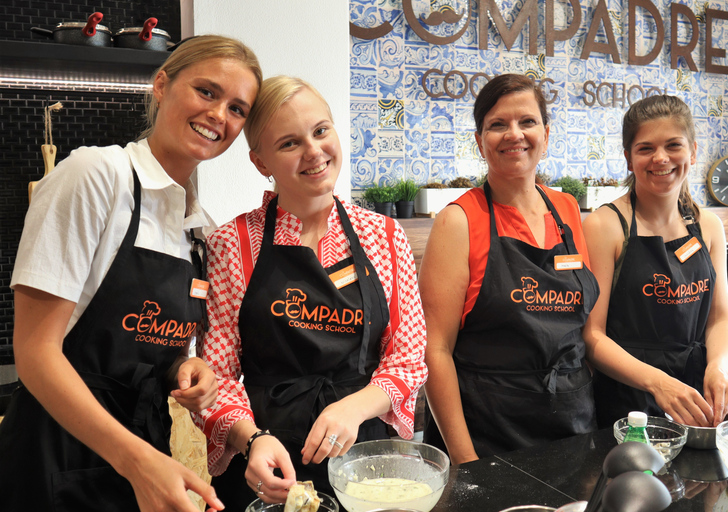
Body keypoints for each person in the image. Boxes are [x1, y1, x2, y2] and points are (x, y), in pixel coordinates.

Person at [0, 35, 262, 511]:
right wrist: (135, 460)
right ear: (162, 84)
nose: (219, 115)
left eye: (237, 108)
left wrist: (183, 368)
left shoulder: (197, 228)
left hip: (142, 457)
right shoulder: (96, 176)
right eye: (207, 91)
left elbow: (150, 353)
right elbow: (35, 352)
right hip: (57, 456)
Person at [192, 76, 428, 508]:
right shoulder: (232, 244)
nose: (314, 151)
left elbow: (408, 359)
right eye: (289, 143)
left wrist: (354, 408)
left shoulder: (386, 236)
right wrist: (252, 440)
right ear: (260, 161)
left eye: (321, 130)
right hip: (266, 458)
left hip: (364, 462)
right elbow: (217, 376)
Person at [420, 74, 598, 465]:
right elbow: (436, 350)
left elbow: (584, 331)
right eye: (497, 124)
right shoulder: (459, 222)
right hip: (488, 435)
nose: (513, 134)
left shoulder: (567, 209)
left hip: (572, 424)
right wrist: (469, 465)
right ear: (479, 141)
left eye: (527, 121)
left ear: (546, 135)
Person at [582, 94, 728, 428]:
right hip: (626, 403)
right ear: (628, 158)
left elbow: (720, 320)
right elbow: (592, 337)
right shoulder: (604, 226)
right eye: (645, 148)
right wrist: (657, 382)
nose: (661, 158)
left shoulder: (708, 227)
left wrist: (718, 368)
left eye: (673, 145)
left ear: (693, 151)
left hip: (696, 400)